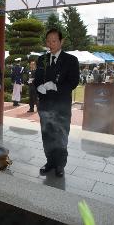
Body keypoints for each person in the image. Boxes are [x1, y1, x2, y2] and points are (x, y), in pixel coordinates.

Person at [33, 28, 79, 177]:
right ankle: (50, 161)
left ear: (61, 41)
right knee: (47, 134)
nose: (50, 44)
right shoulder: (42, 59)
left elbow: (73, 82)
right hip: (45, 105)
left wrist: (56, 86)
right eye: (48, 41)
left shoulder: (71, 60)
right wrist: (39, 86)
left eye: (54, 41)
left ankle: (60, 164)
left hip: (61, 106)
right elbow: (37, 78)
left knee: (61, 135)